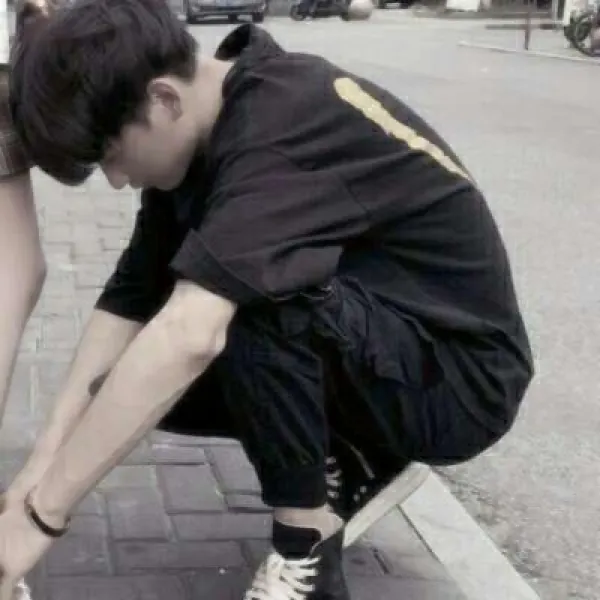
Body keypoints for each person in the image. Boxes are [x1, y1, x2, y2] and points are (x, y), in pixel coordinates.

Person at [0, 0, 534, 598]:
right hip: (384, 341)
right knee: (126, 378)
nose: (118, 180)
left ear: (163, 100)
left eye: (112, 157)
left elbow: (190, 336)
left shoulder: (281, 128)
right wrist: (37, 473)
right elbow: (129, 297)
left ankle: (306, 550)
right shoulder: (205, 126)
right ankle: (351, 458)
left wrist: (42, 521)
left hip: (459, 381)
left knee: (242, 299)